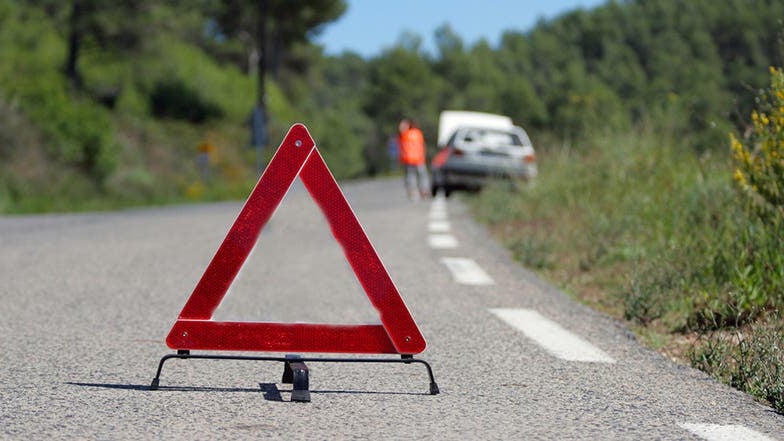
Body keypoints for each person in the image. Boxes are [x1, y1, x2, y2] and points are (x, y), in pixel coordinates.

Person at [397, 118, 430, 200]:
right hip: (419, 158)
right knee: (422, 175)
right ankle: (424, 191)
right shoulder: (418, 133)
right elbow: (423, 146)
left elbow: (401, 130)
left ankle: (412, 192)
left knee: (411, 176)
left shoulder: (405, 134)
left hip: (409, 159)